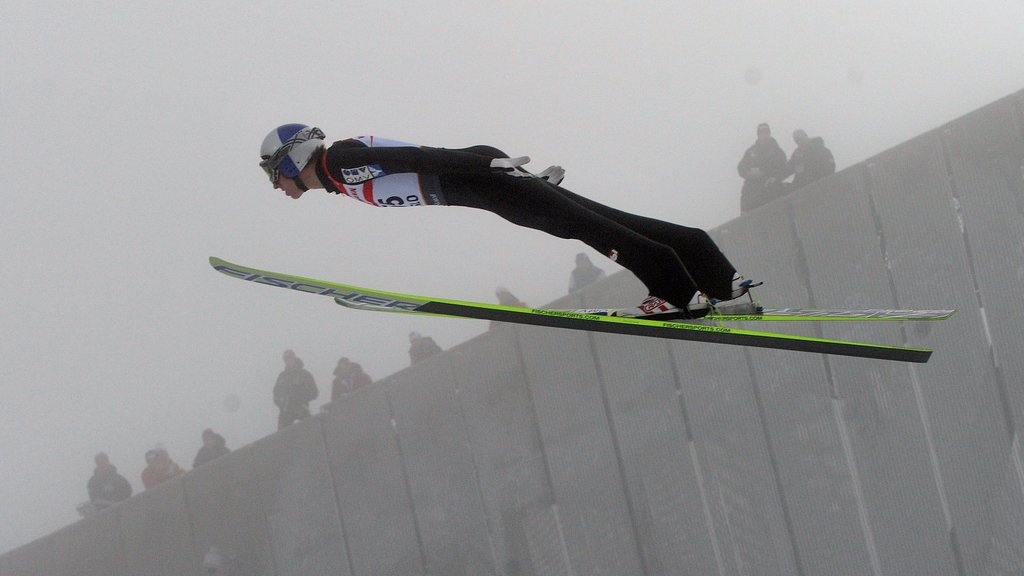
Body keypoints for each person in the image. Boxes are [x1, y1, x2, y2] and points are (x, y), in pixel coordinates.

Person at [257, 124, 755, 319]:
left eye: (274, 172)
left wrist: (490, 168)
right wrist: (499, 171)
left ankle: (676, 290)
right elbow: (417, 159)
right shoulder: (338, 169)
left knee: (587, 225)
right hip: (482, 180)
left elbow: (418, 156)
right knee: (593, 218)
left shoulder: (339, 162)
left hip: (481, 179)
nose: (276, 184)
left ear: (291, 160)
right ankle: (714, 275)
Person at [737, 123, 788, 213]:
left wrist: (765, 173)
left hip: (771, 192)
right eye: (761, 133)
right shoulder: (750, 151)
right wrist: (747, 174)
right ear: (758, 135)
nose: (764, 135)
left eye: (766, 132)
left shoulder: (777, 152)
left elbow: (784, 169)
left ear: (769, 133)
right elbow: (741, 167)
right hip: (751, 194)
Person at [273, 349, 319, 430]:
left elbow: (314, 392)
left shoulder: (304, 374)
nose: (288, 361)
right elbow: (276, 394)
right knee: (282, 435)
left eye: (290, 358)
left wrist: (301, 397)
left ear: (294, 358)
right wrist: (281, 402)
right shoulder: (282, 377)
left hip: (301, 407)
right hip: (285, 411)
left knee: (310, 429)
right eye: (286, 359)